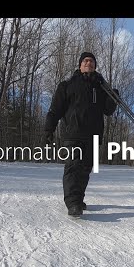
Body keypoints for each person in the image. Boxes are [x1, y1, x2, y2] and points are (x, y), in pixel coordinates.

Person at [44, 52, 118, 217]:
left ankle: (78, 198)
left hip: (93, 135)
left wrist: (113, 97)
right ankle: (73, 203)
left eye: (92, 61)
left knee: (85, 168)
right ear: (80, 65)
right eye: (85, 61)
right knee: (73, 166)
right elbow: (55, 109)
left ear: (95, 66)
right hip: (73, 134)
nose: (88, 63)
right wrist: (49, 129)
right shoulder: (67, 85)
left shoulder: (100, 87)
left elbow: (108, 111)